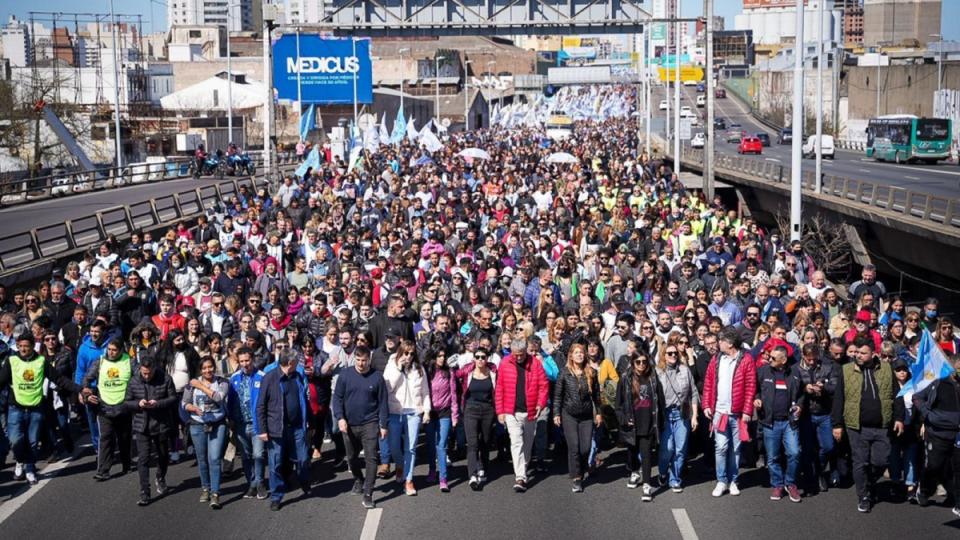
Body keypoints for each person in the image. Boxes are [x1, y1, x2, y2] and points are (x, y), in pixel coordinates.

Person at [831, 336, 904, 513]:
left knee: (881, 461)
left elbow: (897, 395)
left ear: (874, 353)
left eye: (863, 353)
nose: (859, 356)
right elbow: (839, 398)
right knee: (860, 462)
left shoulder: (886, 368)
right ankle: (863, 496)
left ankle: (868, 483)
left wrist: (899, 418)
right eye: (857, 352)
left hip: (882, 425)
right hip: (857, 427)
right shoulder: (847, 370)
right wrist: (837, 424)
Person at [0, 333, 78, 485]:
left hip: (36, 408)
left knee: (33, 442)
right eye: (20, 346)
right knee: (15, 440)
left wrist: (79, 389)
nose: (23, 349)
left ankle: (29, 469)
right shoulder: (12, 361)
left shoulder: (41, 362)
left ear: (32, 346)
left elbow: (59, 379)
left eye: (26, 346)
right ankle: (20, 461)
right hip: (16, 408)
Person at [702, 327, 757, 497]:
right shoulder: (717, 359)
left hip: (738, 413)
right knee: (720, 446)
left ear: (730, 343)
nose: (718, 344)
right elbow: (708, 383)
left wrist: (748, 410)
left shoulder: (746, 360)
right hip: (719, 412)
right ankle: (721, 480)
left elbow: (750, 386)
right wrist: (706, 405)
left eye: (721, 341)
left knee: (736, 448)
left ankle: (733, 480)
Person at [332, 346, 389, 510]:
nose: (361, 364)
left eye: (364, 360)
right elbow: (337, 399)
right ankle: (358, 479)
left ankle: (368, 493)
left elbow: (383, 403)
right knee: (351, 457)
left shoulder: (377, 378)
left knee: (371, 457)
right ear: (354, 359)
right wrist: (340, 418)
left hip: (370, 423)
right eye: (358, 360)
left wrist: (383, 424)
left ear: (369, 360)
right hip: (349, 424)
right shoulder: (345, 375)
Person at [256, 349, 312, 511]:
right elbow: (261, 406)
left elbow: (304, 400)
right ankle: (276, 496)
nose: (298, 365)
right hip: (276, 429)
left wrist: (309, 422)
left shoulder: (297, 376)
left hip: (297, 428)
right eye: (296, 362)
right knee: (276, 464)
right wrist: (262, 430)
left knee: (302, 458)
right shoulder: (270, 378)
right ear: (290, 363)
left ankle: (304, 481)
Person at [495, 337, 550, 493]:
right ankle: (521, 477)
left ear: (526, 351)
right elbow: (499, 388)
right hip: (511, 410)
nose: (518, 357)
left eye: (521, 354)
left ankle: (523, 464)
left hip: (531, 410)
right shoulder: (505, 363)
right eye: (515, 354)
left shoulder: (535, 363)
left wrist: (540, 403)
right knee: (516, 441)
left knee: (528, 442)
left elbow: (543, 385)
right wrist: (500, 411)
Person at [80, 337, 137, 481]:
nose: (111, 353)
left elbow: (139, 378)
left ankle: (127, 464)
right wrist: (86, 392)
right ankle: (103, 471)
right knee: (105, 439)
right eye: (109, 349)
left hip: (123, 407)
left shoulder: (129, 361)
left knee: (124, 438)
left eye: (114, 350)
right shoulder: (100, 361)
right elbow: (87, 378)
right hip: (104, 407)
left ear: (120, 350)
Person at [125, 354, 178, 506]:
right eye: (144, 372)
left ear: (154, 369)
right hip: (142, 426)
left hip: (160, 424)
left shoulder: (166, 379)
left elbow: (173, 398)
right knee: (144, 458)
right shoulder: (134, 381)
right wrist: (138, 404)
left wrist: (158, 403)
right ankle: (144, 492)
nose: (146, 376)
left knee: (162, 455)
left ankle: (160, 477)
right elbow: (127, 402)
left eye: (149, 373)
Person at [912, 352, 960, 517]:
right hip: (937, 432)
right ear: (952, 366)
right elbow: (917, 397)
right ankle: (923, 490)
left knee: (956, 467)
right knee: (934, 465)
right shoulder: (936, 381)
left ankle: (955, 498)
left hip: (957, 434)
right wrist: (928, 415)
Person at [754, 345, 803, 503]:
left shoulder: (795, 373)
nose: (769, 360)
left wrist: (800, 406)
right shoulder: (763, 371)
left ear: (783, 360)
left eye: (773, 358)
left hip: (789, 421)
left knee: (794, 453)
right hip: (770, 421)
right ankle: (778, 484)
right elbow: (755, 388)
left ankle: (790, 483)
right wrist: (757, 398)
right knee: (773, 457)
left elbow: (801, 394)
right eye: (769, 357)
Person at [383, 339, 431, 496]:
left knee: (410, 447)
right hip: (395, 412)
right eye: (406, 353)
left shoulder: (419, 369)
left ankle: (409, 480)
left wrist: (427, 411)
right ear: (400, 352)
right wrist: (399, 368)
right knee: (394, 446)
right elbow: (388, 388)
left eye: (411, 354)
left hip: (413, 412)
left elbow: (425, 392)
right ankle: (399, 465)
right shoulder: (391, 365)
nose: (409, 356)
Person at [552, 343, 601, 492]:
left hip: (586, 416)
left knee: (585, 448)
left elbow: (597, 396)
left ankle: (585, 465)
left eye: (581, 352)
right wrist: (556, 413)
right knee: (574, 447)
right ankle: (577, 477)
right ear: (571, 356)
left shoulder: (591, 372)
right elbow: (558, 396)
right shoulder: (564, 373)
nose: (579, 355)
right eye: (576, 353)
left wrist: (598, 413)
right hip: (569, 415)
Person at [183, 357, 230, 509]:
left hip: (217, 424)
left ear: (214, 367)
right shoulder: (192, 384)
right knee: (202, 458)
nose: (207, 370)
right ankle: (205, 488)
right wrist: (193, 408)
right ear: (200, 370)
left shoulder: (222, 382)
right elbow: (185, 403)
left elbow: (218, 397)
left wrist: (202, 386)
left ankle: (215, 493)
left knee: (215, 458)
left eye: (210, 367)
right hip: (197, 424)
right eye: (204, 368)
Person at [615, 351, 661, 501]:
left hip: (648, 422)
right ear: (633, 362)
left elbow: (659, 400)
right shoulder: (625, 379)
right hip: (632, 423)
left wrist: (660, 421)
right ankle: (635, 471)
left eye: (644, 362)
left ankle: (647, 485)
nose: (641, 365)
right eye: (638, 362)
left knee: (646, 454)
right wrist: (623, 419)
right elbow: (618, 404)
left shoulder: (653, 378)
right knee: (632, 451)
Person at [656, 339, 700, 493]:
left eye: (675, 353)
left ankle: (675, 479)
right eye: (670, 353)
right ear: (664, 355)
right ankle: (662, 472)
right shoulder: (658, 372)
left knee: (680, 449)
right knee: (667, 448)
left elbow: (693, 393)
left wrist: (694, 416)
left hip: (683, 413)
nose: (673, 355)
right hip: (666, 414)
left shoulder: (684, 370)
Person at [797, 343, 838, 493]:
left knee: (828, 446)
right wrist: (805, 388)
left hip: (824, 413)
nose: (812, 362)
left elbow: (835, 386)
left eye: (815, 359)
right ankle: (811, 476)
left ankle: (820, 470)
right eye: (809, 360)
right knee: (807, 448)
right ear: (803, 357)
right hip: (806, 414)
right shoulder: (797, 368)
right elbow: (792, 387)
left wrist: (824, 387)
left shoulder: (828, 367)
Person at [228, 346, 267, 500]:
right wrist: (230, 418)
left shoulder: (262, 376)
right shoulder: (234, 378)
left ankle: (260, 482)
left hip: (257, 423)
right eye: (242, 361)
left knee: (258, 454)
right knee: (246, 456)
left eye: (247, 360)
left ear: (252, 360)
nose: (245, 364)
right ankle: (251, 483)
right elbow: (230, 400)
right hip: (240, 423)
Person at [460, 347, 497, 491]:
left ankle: (483, 466)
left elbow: (498, 392)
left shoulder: (493, 373)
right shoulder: (468, 372)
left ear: (487, 359)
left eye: (483, 357)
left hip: (488, 410)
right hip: (471, 409)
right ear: (474, 358)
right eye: (478, 357)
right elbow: (455, 375)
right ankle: (472, 475)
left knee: (485, 441)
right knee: (473, 443)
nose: (480, 360)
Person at [424, 347, 458, 492]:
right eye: (439, 356)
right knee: (431, 444)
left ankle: (443, 478)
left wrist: (454, 415)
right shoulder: (427, 372)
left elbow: (454, 394)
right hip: (430, 412)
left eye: (444, 356)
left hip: (444, 412)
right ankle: (432, 470)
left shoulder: (449, 372)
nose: (442, 359)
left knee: (442, 445)